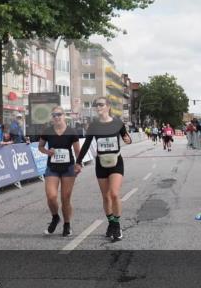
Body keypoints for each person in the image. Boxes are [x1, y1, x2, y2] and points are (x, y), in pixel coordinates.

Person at [75, 97, 132, 242]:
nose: (98, 107)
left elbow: (126, 137)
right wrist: (78, 162)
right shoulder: (94, 126)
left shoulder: (117, 123)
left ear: (108, 106)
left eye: (101, 104)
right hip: (101, 163)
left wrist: (128, 140)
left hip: (116, 162)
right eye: (96, 105)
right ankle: (111, 222)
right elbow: (86, 145)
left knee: (114, 193)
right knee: (105, 196)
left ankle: (116, 225)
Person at [39, 106, 82, 237]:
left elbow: (77, 151)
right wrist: (47, 152)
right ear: (52, 117)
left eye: (59, 114)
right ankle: (55, 217)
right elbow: (40, 146)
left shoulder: (71, 131)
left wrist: (78, 164)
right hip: (52, 167)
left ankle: (67, 224)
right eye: (54, 115)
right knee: (51, 196)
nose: (57, 117)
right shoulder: (47, 131)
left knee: (65, 198)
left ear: (64, 116)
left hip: (68, 168)